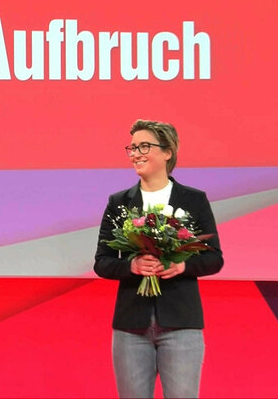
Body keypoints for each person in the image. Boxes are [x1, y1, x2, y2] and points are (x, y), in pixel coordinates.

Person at [94, 120, 224, 398]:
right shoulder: (119, 202)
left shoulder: (193, 200)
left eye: (144, 146)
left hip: (181, 324)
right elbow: (102, 261)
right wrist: (132, 265)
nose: (135, 154)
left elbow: (214, 259)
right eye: (132, 148)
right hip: (131, 326)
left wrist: (182, 265)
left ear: (167, 151)